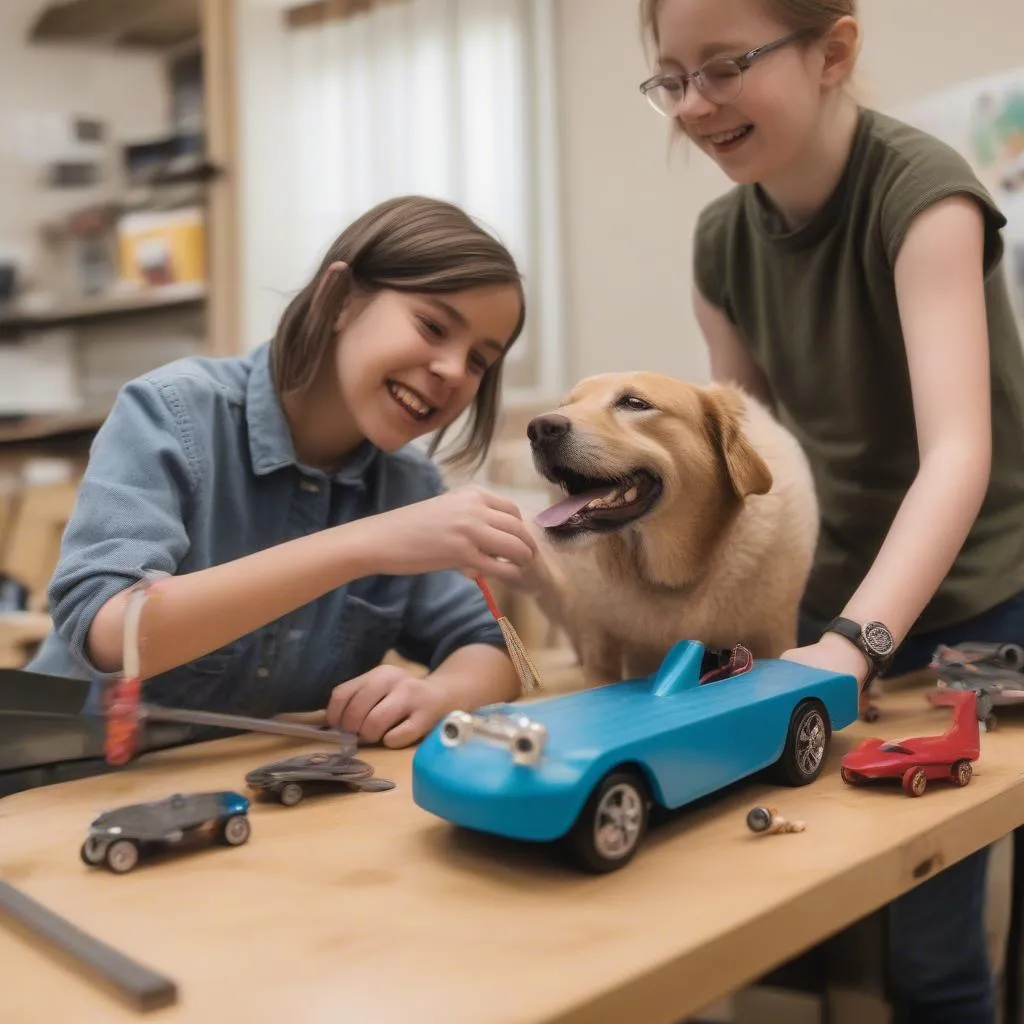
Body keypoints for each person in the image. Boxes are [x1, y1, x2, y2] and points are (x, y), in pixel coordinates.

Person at [637, 1, 1024, 1022]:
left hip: (981, 591)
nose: (694, 103)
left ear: (833, 52)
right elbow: (747, 465)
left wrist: (857, 639)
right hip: (835, 593)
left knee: (932, 946)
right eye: (670, 77)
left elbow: (958, 455)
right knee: (792, 899)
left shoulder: (923, 196)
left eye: (722, 66)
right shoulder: (721, 240)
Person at [28, 194, 538, 750]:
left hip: (253, 796)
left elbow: (494, 645)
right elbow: (108, 631)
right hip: (65, 783)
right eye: (434, 327)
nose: (451, 370)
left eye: (478, 361)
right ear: (339, 297)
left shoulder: (407, 487)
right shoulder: (170, 413)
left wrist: (438, 694)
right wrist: (367, 542)